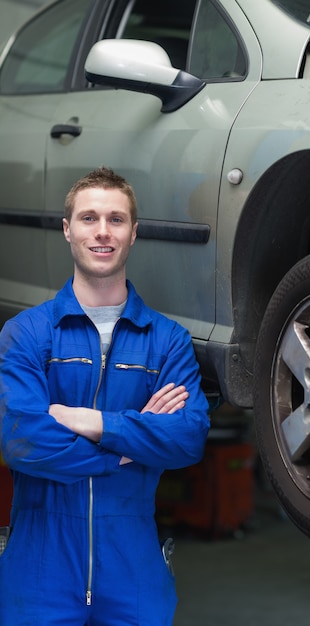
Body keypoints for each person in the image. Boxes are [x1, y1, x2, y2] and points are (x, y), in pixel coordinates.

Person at [0, 166, 210, 625]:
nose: (102, 231)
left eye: (116, 219)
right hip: (39, 568)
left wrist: (92, 422)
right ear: (67, 229)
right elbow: (23, 442)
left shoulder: (167, 339)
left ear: (134, 233)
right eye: (88, 218)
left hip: (133, 568)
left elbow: (188, 438)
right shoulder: (27, 334)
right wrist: (130, 447)